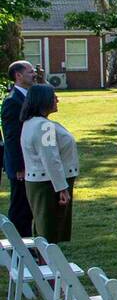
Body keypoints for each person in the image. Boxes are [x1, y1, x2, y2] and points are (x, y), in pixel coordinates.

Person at [19, 84, 78, 244]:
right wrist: (62, 188)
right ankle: (47, 265)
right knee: (49, 231)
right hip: (48, 184)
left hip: (41, 182)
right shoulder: (44, 126)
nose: (57, 100)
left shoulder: (31, 122)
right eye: (53, 97)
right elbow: (50, 158)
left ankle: (43, 263)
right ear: (43, 101)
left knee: (43, 228)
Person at [3, 60, 36, 236]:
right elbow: (12, 137)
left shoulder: (28, 96)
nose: (34, 74)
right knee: (20, 207)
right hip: (20, 166)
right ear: (18, 75)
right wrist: (18, 167)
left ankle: (27, 241)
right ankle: (19, 245)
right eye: (30, 72)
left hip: (30, 162)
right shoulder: (13, 101)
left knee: (28, 206)